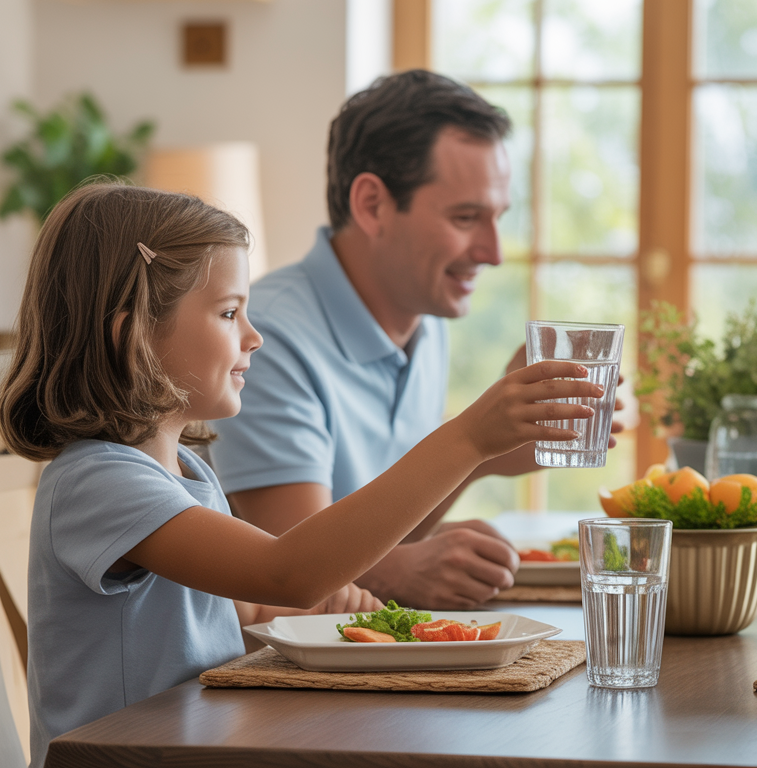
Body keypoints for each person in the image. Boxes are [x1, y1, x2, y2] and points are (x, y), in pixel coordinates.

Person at [0, 183, 600, 767]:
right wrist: (468, 440)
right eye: (229, 312)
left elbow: (245, 608)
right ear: (132, 335)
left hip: (200, 744)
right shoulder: (96, 482)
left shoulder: (185, 474)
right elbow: (285, 573)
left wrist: (350, 614)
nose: (253, 337)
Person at [209, 71, 613, 609]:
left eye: (497, 218)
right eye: (466, 217)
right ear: (373, 204)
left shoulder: (427, 322)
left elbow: (386, 528)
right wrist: (402, 568)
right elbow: (294, 573)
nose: (493, 252)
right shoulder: (270, 337)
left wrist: (492, 451)